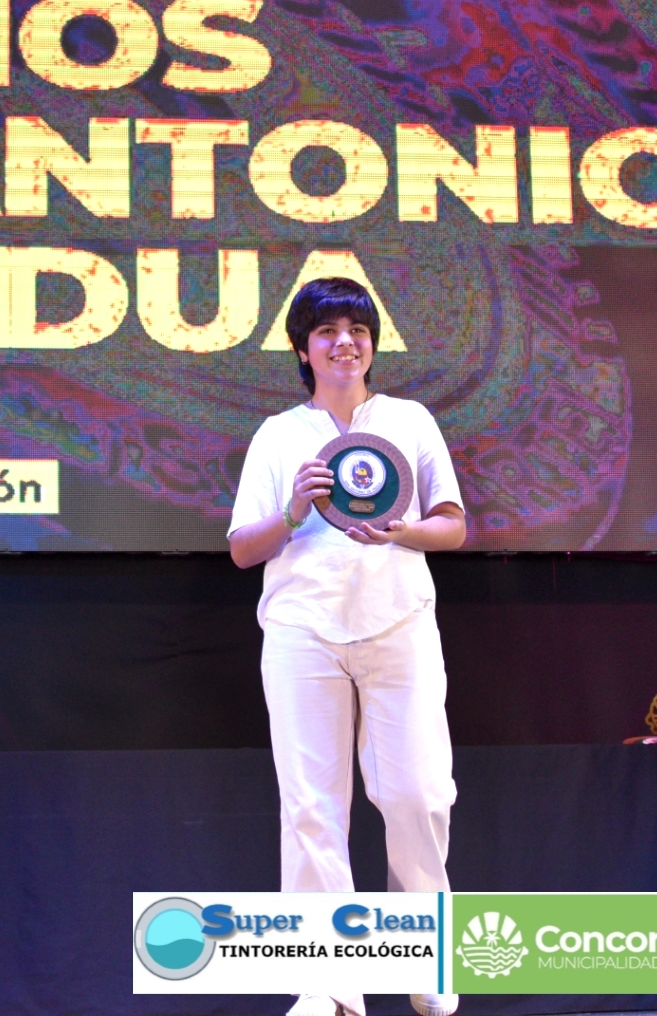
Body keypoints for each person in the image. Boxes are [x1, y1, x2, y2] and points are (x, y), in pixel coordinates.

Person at [228, 278, 466, 1016]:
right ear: (303, 350)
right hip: (303, 631)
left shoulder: (409, 420)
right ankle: (329, 983)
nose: (344, 342)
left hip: (399, 624)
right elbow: (242, 548)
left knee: (418, 793)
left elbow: (453, 524)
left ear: (372, 343)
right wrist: (293, 511)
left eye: (357, 329)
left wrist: (403, 531)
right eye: (327, 331)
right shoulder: (279, 435)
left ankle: (424, 957)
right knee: (311, 806)